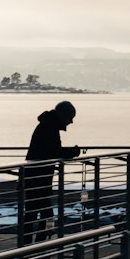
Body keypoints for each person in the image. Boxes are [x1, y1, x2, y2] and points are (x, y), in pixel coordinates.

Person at [22, 100, 80, 241]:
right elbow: (52, 151)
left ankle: (30, 247)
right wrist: (71, 151)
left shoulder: (47, 125)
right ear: (63, 115)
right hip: (38, 177)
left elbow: (49, 151)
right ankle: (38, 248)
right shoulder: (49, 127)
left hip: (35, 176)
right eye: (70, 117)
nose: (71, 122)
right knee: (43, 214)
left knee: (34, 212)